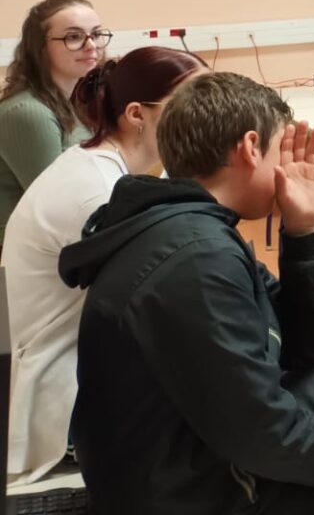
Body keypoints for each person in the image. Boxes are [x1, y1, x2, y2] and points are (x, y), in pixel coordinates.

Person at [59, 72, 314, 514]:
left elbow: (306, 348)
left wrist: (304, 230)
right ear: (251, 148)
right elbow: (264, 437)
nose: (288, 165)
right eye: (279, 149)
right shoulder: (196, 257)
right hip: (204, 489)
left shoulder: (195, 226)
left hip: (220, 450)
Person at [4, 47, 205, 486]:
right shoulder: (96, 191)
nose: (207, 116)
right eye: (194, 103)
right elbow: (154, 309)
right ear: (137, 114)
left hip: (77, 360)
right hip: (63, 392)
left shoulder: (101, 166)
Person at [0, 0, 110, 244]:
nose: (91, 45)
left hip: (62, 243)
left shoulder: (79, 103)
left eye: (96, 34)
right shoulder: (28, 112)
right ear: (40, 48)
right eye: (74, 37)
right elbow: (59, 208)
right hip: (20, 258)